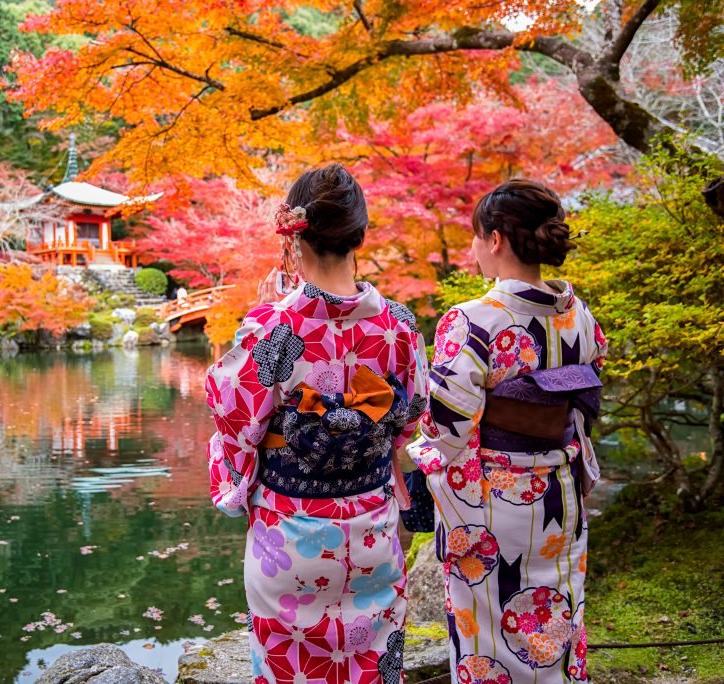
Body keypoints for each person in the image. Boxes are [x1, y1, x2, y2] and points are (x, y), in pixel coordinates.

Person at [205, 163, 428, 683]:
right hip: (372, 527)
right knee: (373, 666)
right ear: (361, 234)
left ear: (294, 235)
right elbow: (412, 412)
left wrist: (237, 480)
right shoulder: (399, 325)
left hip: (289, 537)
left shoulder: (274, 326)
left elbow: (233, 417)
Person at [406, 179, 607, 683]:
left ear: (495, 240)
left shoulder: (471, 320)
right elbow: (584, 408)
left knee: (487, 637)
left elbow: (447, 429)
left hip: (490, 503)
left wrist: (413, 458)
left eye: (476, 237)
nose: (474, 249)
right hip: (560, 494)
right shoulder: (579, 315)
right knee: (555, 617)